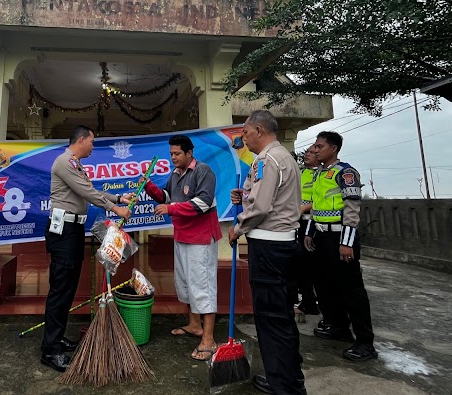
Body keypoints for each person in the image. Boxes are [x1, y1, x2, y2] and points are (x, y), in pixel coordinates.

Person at [41, 125, 132, 372]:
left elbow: (89, 191)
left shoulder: (74, 164)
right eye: (92, 141)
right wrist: (116, 209)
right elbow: (87, 192)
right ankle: (50, 350)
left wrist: (117, 198)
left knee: (67, 287)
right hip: (63, 232)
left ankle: (56, 339)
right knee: (60, 289)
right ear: (81, 140)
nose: (93, 146)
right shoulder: (64, 162)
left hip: (72, 231)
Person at [229, 110, 306, 395]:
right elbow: (267, 199)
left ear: (259, 130)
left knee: (271, 321)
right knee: (283, 316)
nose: (245, 139)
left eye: (247, 133)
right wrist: (245, 195)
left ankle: (283, 387)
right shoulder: (284, 156)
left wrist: (238, 227)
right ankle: (289, 377)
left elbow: (261, 209)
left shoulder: (266, 159)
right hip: (284, 245)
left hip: (269, 248)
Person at [142, 134, 222, 361]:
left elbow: (203, 203)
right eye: (171, 154)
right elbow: (166, 196)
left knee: (203, 285)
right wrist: (149, 187)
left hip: (201, 238)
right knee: (186, 282)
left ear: (189, 153)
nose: (173, 158)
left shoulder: (203, 171)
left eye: (177, 154)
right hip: (183, 236)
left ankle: (208, 338)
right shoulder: (176, 174)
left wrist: (171, 208)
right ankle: (195, 325)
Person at [304, 131, 377, 362]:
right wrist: (309, 233)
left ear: (333, 148)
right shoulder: (318, 174)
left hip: (340, 239)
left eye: (319, 146)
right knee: (325, 286)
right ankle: (339, 327)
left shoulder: (346, 173)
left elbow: (352, 210)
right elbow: (315, 207)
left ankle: (365, 342)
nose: (315, 149)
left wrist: (346, 244)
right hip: (321, 238)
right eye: (315, 146)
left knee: (351, 290)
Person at [296, 146, 319, 318]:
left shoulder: (322, 174)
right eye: (307, 152)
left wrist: (304, 208)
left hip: (316, 224)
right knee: (302, 265)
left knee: (316, 266)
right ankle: (307, 301)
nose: (308, 155)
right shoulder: (302, 173)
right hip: (300, 224)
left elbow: (320, 198)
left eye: (312, 152)